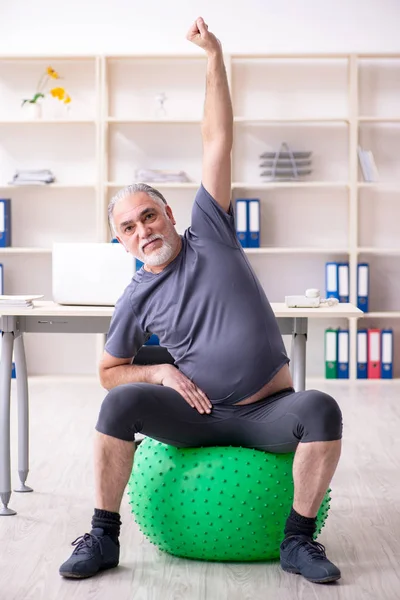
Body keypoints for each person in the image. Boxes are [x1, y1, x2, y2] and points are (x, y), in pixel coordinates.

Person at [59, 17, 343, 585]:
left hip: (267, 411)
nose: (142, 230)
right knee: (117, 407)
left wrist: (213, 56)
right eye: (128, 227)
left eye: (148, 215)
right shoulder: (134, 298)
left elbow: (217, 138)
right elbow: (109, 372)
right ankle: (103, 535)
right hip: (197, 416)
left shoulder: (210, 232)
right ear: (120, 242)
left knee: (322, 409)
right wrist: (160, 376)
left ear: (169, 214)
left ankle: (296, 541)